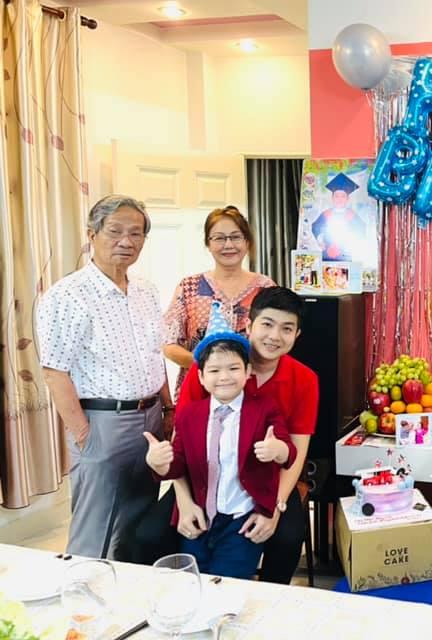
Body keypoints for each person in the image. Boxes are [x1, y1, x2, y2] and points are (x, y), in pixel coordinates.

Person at [134, 288, 318, 584]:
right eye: (267, 324)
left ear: (297, 335)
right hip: (201, 477)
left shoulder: (304, 379)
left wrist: (274, 506)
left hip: (266, 480)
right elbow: (182, 445)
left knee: (287, 537)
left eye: (287, 329)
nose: (274, 336)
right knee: (148, 536)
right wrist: (185, 502)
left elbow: (296, 449)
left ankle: (268, 600)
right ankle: (174, 591)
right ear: (249, 325)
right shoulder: (210, 369)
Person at [36, 195, 173, 560]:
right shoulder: (67, 295)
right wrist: (84, 436)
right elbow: (54, 371)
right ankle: (81, 593)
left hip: (151, 418)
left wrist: (168, 408)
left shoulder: (146, 290)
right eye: (115, 231)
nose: (126, 241)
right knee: (96, 530)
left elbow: (154, 354)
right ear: (92, 234)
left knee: (138, 523)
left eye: (136, 233)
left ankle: (128, 591)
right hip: (102, 422)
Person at [144, 329, 297, 579]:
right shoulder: (190, 414)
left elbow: (289, 453)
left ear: (248, 371)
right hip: (200, 519)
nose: (224, 377)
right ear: (201, 377)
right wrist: (159, 463)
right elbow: (178, 465)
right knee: (193, 580)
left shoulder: (264, 409)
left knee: (228, 583)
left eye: (233, 368)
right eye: (214, 370)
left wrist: (277, 450)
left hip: (241, 521)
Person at [163, 206, 274, 394]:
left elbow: (276, 340)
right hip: (198, 392)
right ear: (208, 243)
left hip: (253, 392)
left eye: (236, 237)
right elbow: (168, 344)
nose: (228, 245)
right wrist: (207, 365)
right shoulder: (190, 287)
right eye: (219, 238)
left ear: (247, 241)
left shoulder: (265, 288)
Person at [311, 173, 367, 261]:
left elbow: (361, 228)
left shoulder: (352, 215)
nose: (339, 199)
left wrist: (353, 243)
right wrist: (320, 240)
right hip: (327, 253)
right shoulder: (326, 214)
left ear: (347, 199)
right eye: (336, 196)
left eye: (343, 196)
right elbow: (316, 226)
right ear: (332, 198)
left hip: (345, 253)